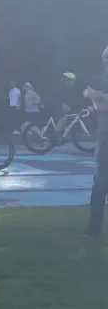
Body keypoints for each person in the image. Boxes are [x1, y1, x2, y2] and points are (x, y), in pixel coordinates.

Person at [82, 46, 108, 238]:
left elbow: (99, 101)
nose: (105, 60)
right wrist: (96, 101)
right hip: (104, 137)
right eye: (104, 57)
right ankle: (94, 230)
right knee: (99, 185)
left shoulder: (99, 85)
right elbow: (99, 107)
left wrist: (96, 95)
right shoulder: (101, 79)